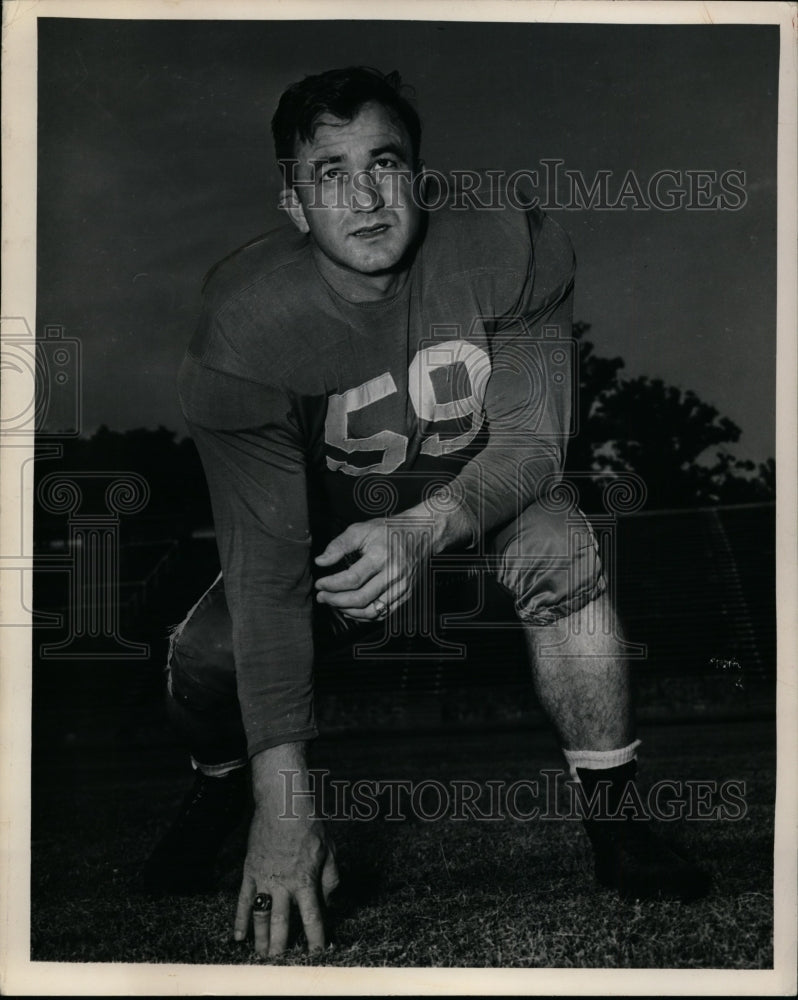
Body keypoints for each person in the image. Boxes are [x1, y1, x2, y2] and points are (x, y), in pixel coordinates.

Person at [138, 66, 710, 957]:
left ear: (421, 179)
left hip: (481, 493)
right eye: (330, 173)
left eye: (385, 163)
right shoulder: (244, 328)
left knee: (564, 546)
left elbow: (531, 445)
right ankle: (218, 785)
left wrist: (424, 526)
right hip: (335, 532)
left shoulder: (510, 248)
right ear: (293, 203)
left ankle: (619, 821)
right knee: (208, 658)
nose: (365, 196)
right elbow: (266, 569)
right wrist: (280, 801)